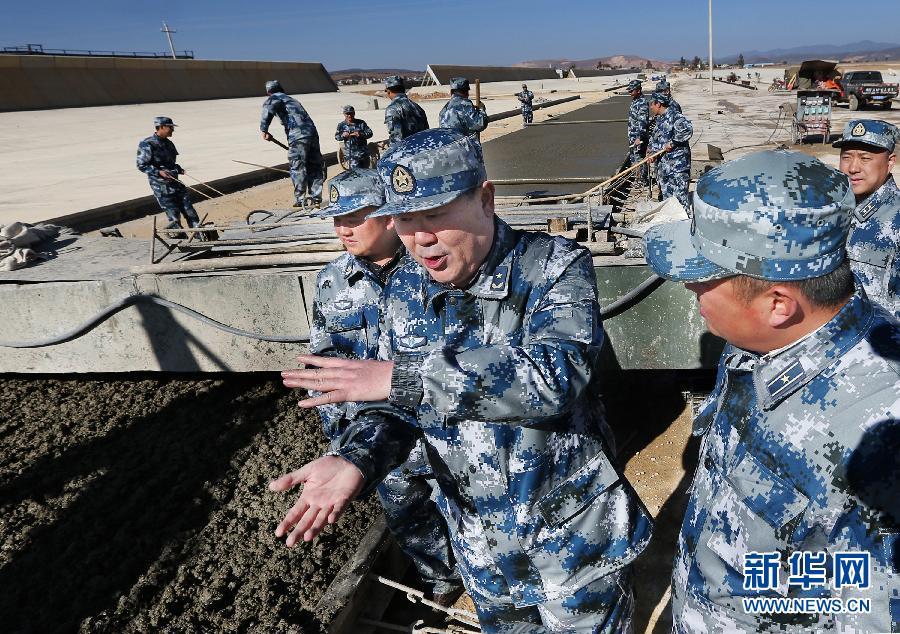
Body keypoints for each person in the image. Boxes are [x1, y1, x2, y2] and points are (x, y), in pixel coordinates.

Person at [270, 129, 652, 632]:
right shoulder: (407, 285)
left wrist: (405, 378)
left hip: (571, 539)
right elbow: (396, 403)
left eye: (434, 216)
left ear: (486, 199)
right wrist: (355, 458)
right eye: (405, 220)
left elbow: (558, 374)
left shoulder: (551, 266)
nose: (419, 238)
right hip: (481, 546)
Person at [642, 149, 900, 633]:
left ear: (778, 303)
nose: (692, 292)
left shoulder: (876, 443)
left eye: (704, 278)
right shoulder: (760, 343)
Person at [288, 168, 462, 603]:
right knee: (408, 517)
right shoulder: (332, 280)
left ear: (388, 217)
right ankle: (442, 579)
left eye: (354, 217)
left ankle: (481, 576)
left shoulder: (436, 270)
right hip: (379, 442)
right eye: (336, 219)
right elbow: (325, 364)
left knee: (467, 512)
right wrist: (344, 440)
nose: (342, 229)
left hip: (446, 435)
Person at [833, 118, 900, 316]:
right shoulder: (831, 209)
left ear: (890, 162)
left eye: (865, 158)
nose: (853, 168)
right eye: (846, 157)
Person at [260, 80, 324, 208]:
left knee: (298, 166)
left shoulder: (274, 98)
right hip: (312, 133)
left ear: (268, 92)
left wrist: (264, 129)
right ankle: (316, 198)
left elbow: (268, 108)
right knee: (315, 166)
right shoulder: (292, 99)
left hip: (297, 135)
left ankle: (301, 200)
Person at [136, 116, 202, 232]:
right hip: (162, 188)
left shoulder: (169, 144)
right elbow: (141, 165)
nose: (172, 130)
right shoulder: (147, 144)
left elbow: (171, 164)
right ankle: (180, 243)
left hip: (176, 184)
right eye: (170, 127)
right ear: (161, 127)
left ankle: (200, 236)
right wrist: (159, 172)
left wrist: (178, 169)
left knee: (190, 212)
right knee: (174, 218)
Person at [647, 92, 693, 211]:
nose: (651, 108)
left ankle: (684, 226)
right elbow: (654, 139)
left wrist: (672, 143)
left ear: (658, 104)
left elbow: (687, 130)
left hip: (676, 168)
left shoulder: (675, 116)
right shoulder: (659, 120)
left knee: (680, 201)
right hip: (664, 169)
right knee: (669, 202)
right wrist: (651, 153)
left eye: (652, 105)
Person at [383, 75, 429, 147]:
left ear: (389, 91)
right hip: (422, 149)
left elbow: (396, 138)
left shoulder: (392, 109)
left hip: (407, 152)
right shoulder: (416, 106)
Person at [625, 79, 650, 185]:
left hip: (638, 137)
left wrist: (639, 137)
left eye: (632, 90)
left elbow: (642, 122)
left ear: (638, 90)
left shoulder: (642, 103)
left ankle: (641, 180)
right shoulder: (635, 101)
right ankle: (637, 178)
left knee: (639, 158)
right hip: (632, 136)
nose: (629, 92)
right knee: (634, 158)